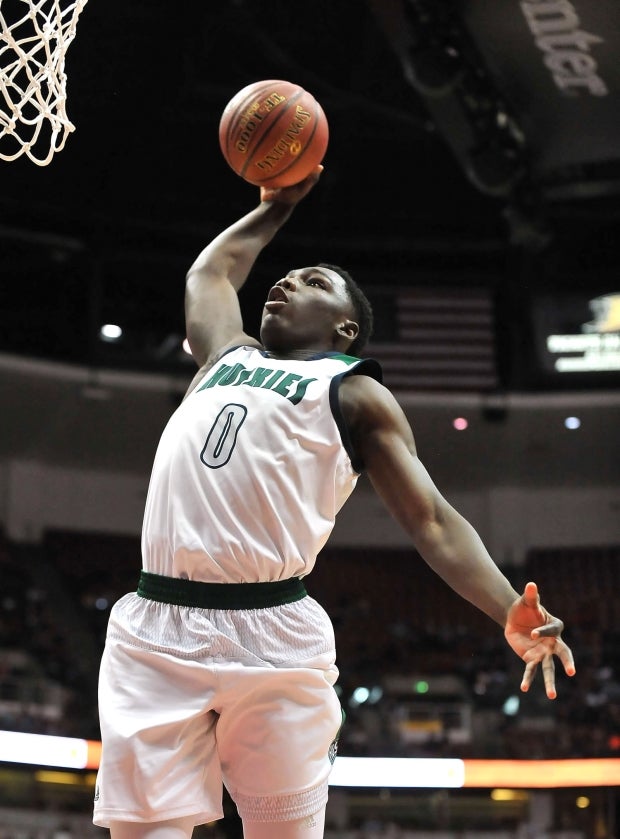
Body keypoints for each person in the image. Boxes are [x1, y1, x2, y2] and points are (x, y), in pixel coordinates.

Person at [93, 167, 576, 839]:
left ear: (346, 327)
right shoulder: (222, 355)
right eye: (288, 276)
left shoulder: (352, 391)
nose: (287, 281)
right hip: (155, 625)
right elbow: (209, 275)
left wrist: (505, 607)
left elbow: (432, 520)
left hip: (273, 631)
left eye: (314, 282)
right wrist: (275, 209)